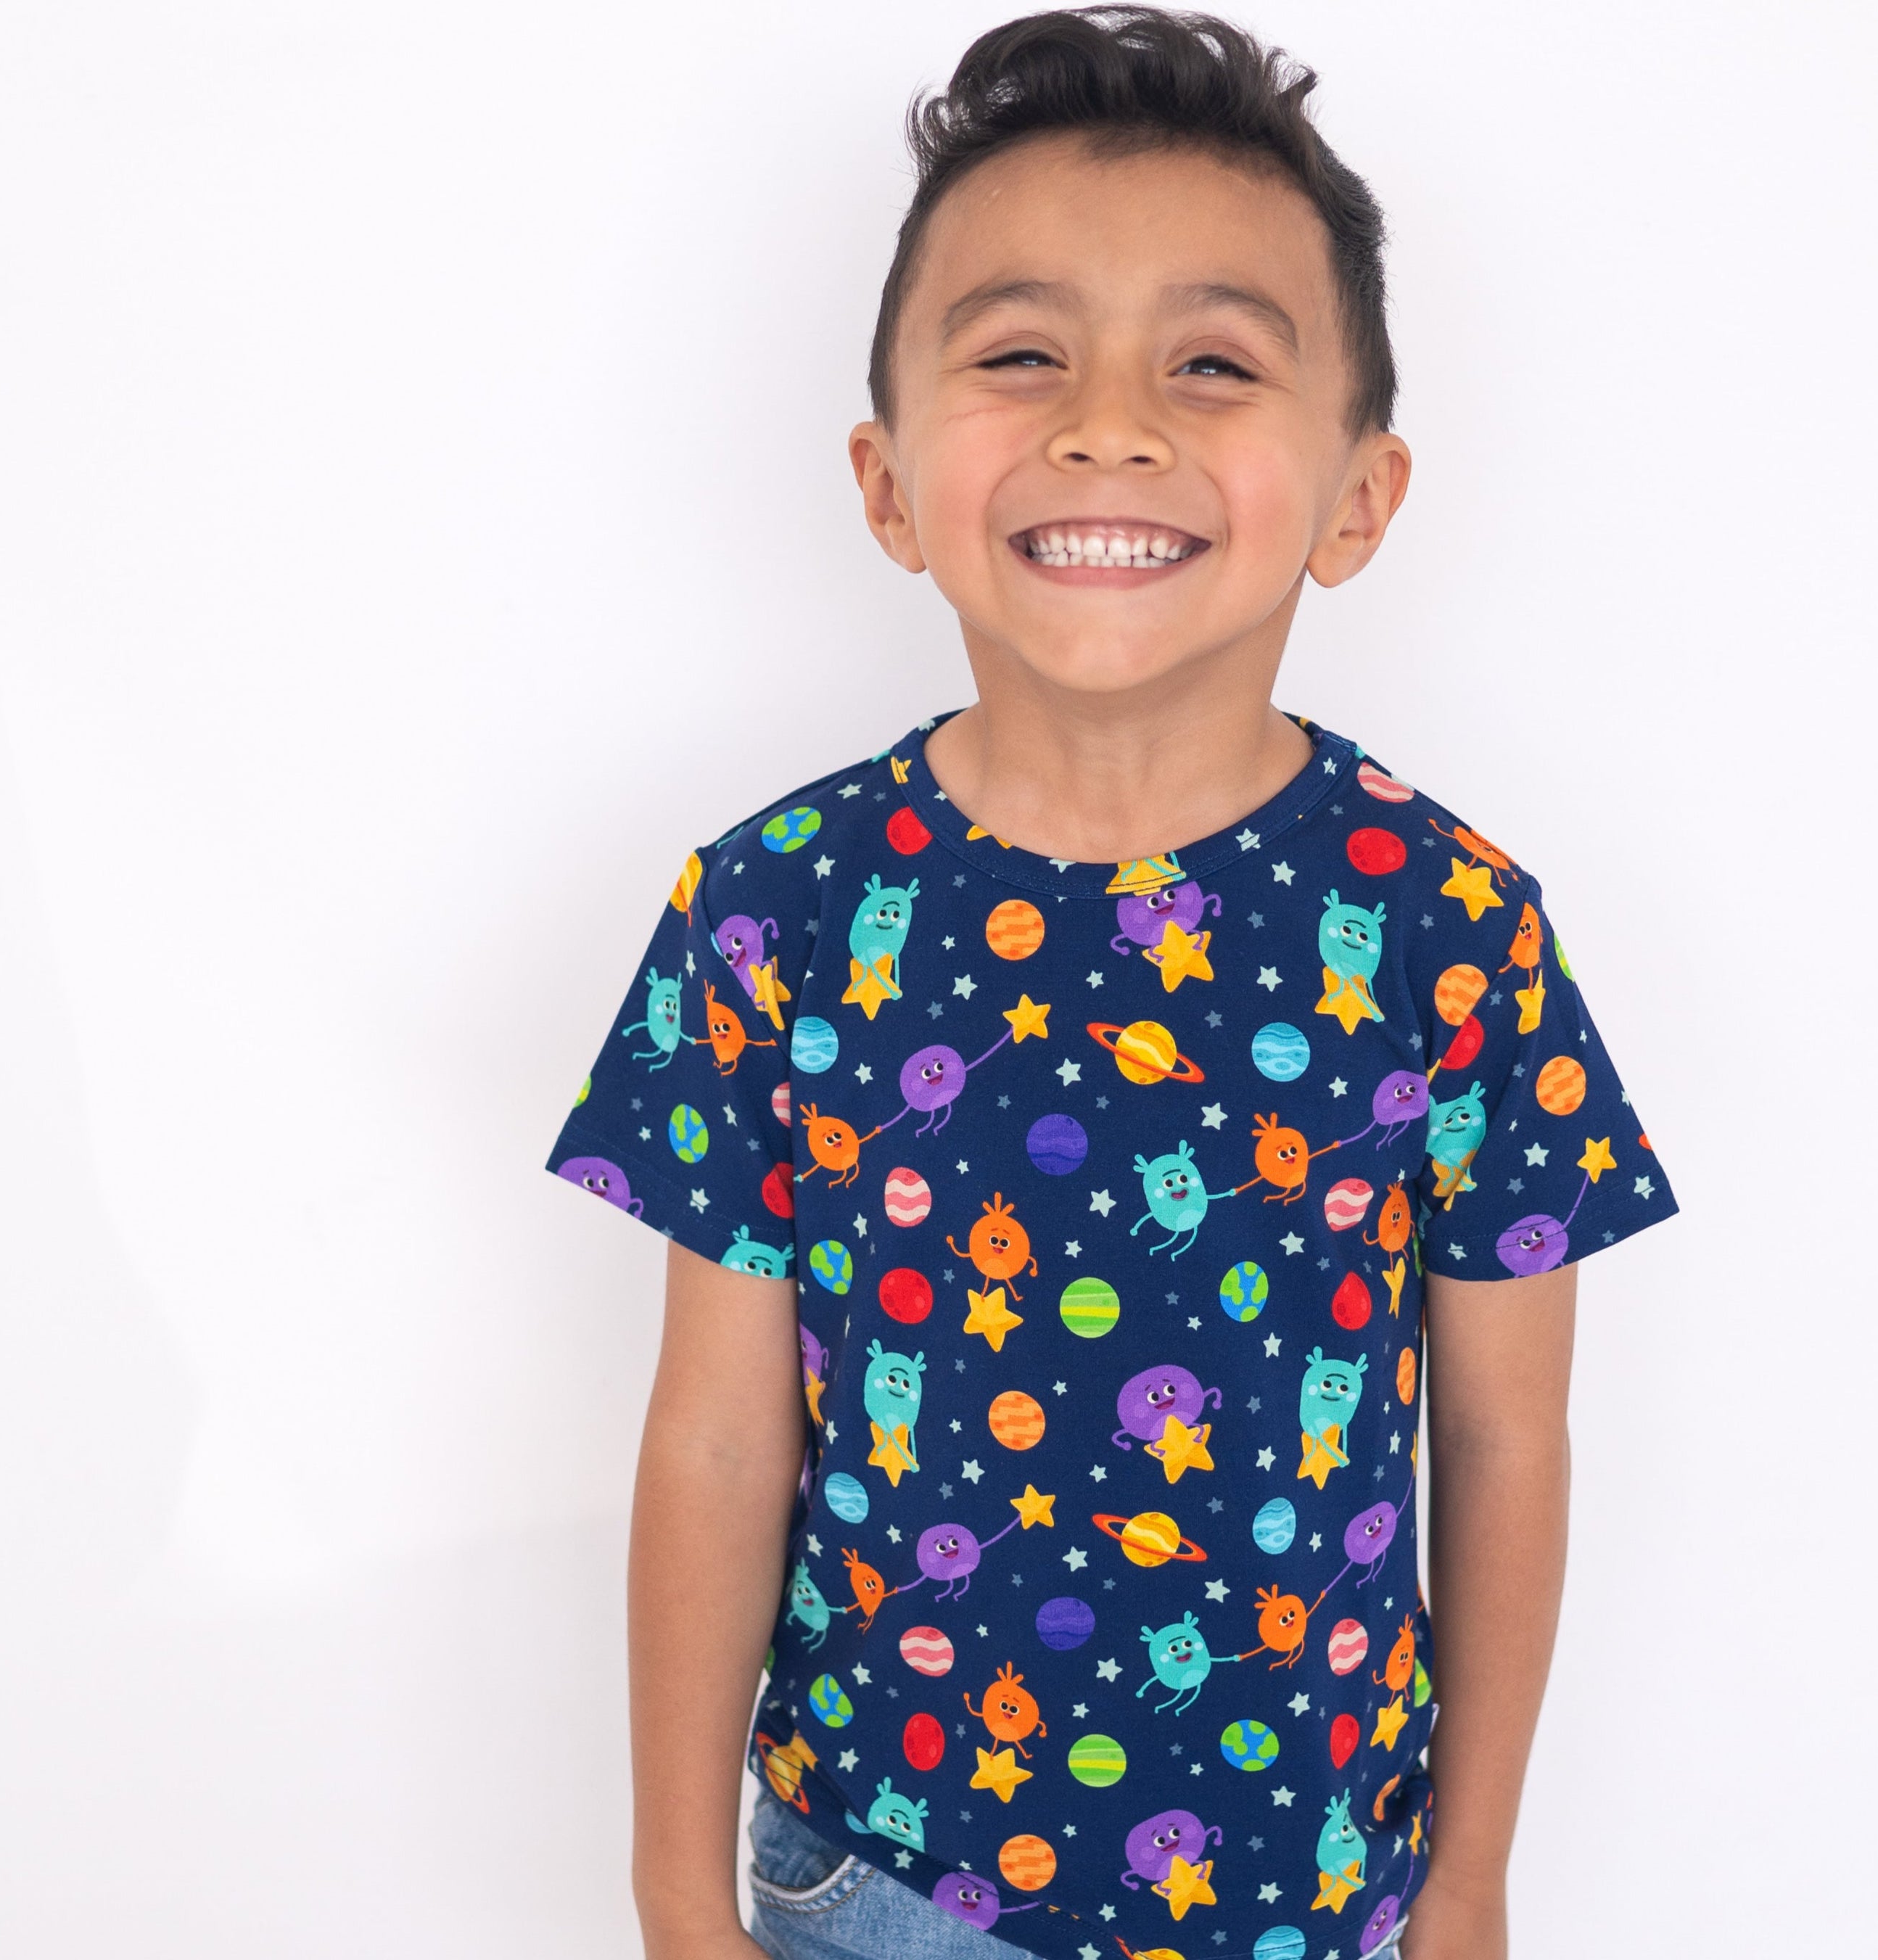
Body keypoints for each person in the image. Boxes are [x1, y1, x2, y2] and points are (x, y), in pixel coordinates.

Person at [545, 12, 1679, 1960]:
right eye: (1021, 356)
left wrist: (1472, 1878)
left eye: (1213, 364)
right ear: (889, 483)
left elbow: (1503, 1438)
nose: (1109, 427)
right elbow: (718, 1438)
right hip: (874, 1885)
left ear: (1359, 498)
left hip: (1315, 1891)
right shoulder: (772, 911)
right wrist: (672, 1901)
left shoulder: (1452, 927)